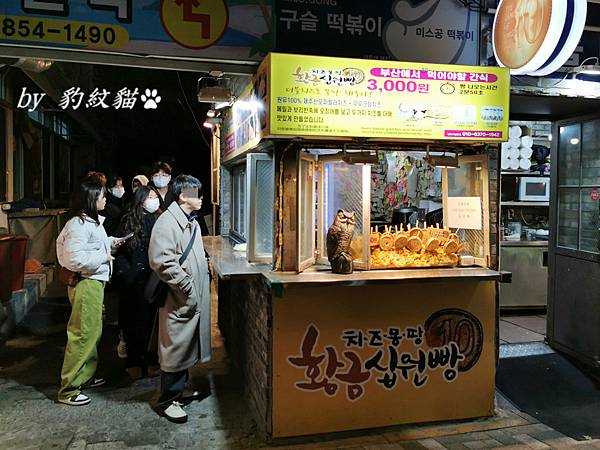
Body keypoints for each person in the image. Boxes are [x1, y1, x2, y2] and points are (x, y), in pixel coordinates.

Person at [148, 175, 211, 423]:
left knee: (184, 347)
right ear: (184, 196)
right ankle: (167, 401)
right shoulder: (167, 223)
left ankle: (177, 393)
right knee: (174, 348)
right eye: (198, 194)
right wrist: (188, 288)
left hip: (187, 298)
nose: (202, 198)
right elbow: (162, 261)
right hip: (179, 298)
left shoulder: (189, 221)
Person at [56, 179, 122, 406]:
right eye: (102, 196)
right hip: (87, 283)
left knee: (92, 333)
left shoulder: (91, 222)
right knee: (82, 335)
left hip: (94, 282)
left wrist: (111, 243)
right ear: (91, 199)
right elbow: (74, 258)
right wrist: (103, 256)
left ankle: (85, 377)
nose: (105, 199)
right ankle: (69, 389)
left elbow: (90, 247)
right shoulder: (79, 225)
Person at [114, 186, 161, 379]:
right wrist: (126, 273)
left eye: (155, 196)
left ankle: (151, 360)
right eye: (149, 197)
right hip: (132, 281)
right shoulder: (128, 220)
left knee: (151, 322)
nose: (153, 200)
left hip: (153, 279)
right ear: (140, 200)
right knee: (132, 321)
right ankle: (134, 361)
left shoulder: (160, 219)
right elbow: (119, 250)